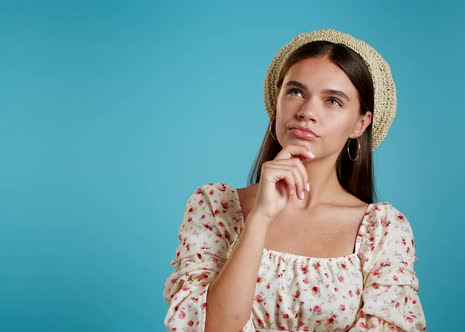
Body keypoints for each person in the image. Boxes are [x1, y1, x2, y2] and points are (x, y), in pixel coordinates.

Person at [162, 29, 427, 332]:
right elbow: (209, 327)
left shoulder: (383, 230)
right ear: (277, 103)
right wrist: (260, 218)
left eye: (333, 101)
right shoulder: (214, 207)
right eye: (296, 92)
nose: (307, 112)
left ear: (360, 123)